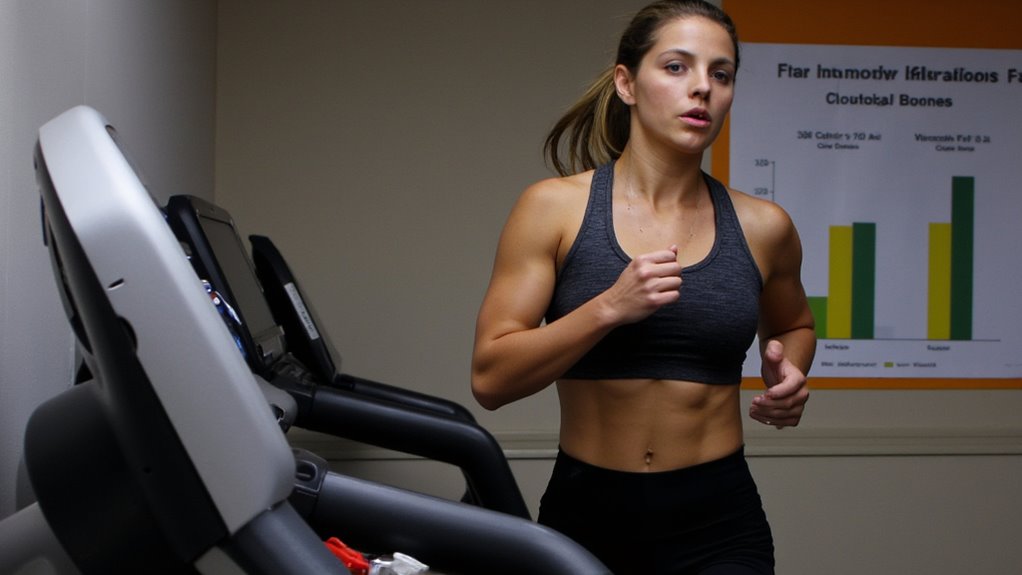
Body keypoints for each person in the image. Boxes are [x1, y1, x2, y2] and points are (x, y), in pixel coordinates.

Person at [471, 1, 815, 573]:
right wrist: (607, 308)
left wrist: (791, 371)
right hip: (587, 515)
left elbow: (794, 325)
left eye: (721, 74)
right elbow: (490, 377)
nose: (702, 88)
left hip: (719, 523)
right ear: (626, 82)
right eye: (677, 67)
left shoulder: (764, 226)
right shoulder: (553, 209)